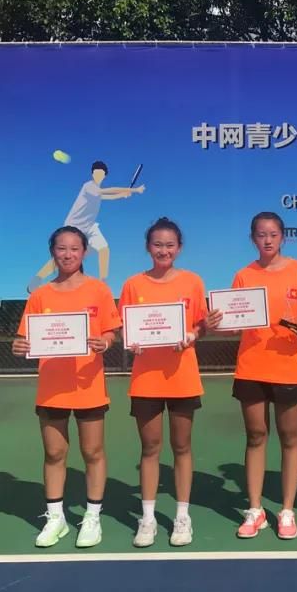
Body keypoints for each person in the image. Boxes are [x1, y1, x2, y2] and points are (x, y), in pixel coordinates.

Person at [12, 226, 121, 549]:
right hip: (52, 388)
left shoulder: (99, 290)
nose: (68, 254)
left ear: (84, 252)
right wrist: (19, 346)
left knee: (92, 452)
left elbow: (111, 332)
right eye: (62, 248)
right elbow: (24, 338)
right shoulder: (40, 295)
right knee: (54, 452)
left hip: (89, 385)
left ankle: (92, 517)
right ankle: (56, 518)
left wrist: (105, 342)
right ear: (53, 253)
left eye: (75, 248)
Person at [118, 217, 221, 548]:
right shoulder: (133, 284)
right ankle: (147, 519)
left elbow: (201, 325)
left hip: (182, 378)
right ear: (148, 247)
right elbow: (125, 328)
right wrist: (131, 342)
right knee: (150, 448)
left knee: (182, 447)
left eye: (170, 245)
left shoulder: (192, 282)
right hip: (146, 380)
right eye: (157, 244)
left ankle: (182, 517)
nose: (164, 250)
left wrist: (193, 334)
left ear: (179, 247)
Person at [229, 212, 297, 540]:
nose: (267, 240)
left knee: (289, 437)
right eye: (261, 235)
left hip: (288, 367)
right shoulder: (243, 275)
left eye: (273, 234)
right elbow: (235, 317)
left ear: (283, 237)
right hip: (251, 366)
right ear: (253, 238)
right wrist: (228, 321)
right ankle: (255, 510)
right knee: (256, 436)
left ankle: (287, 510)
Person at [29, 160, 145, 290]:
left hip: (89, 227)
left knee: (104, 249)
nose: (98, 176)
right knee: (66, 256)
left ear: (104, 176)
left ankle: (103, 284)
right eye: (96, 173)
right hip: (74, 227)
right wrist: (134, 189)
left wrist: (123, 195)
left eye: (100, 174)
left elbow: (109, 196)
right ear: (92, 174)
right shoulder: (89, 186)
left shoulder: (97, 192)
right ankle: (38, 278)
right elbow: (108, 191)